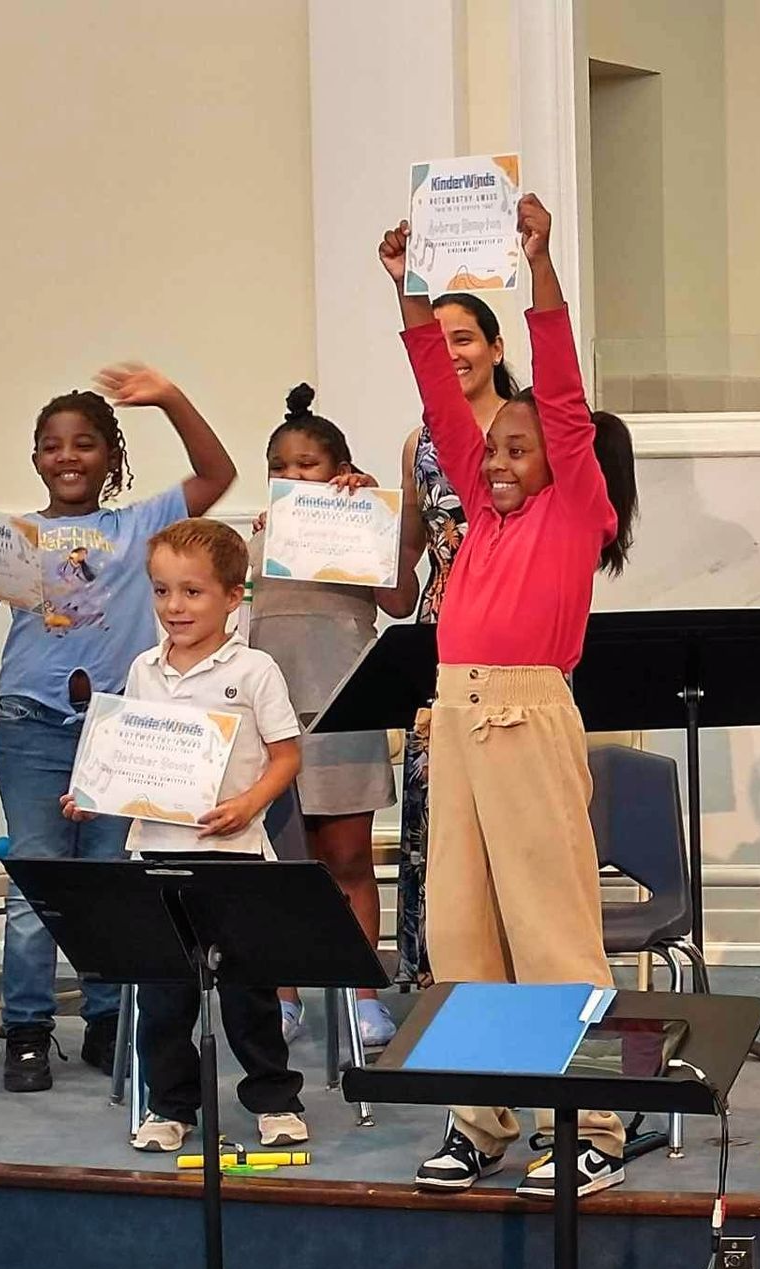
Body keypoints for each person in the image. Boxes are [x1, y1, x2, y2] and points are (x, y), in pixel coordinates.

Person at [381, 194, 639, 1197]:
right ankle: (480, 1120)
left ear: (569, 466)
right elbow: (444, 410)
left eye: (516, 449)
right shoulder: (481, 517)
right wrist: (405, 284)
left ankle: (597, 1125)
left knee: (552, 929)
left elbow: (563, 399)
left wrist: (539, 267)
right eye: (491, 451)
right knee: (457, 930)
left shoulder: (574, 508)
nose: (495, 459)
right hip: (452, 717)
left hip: (527, 717)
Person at [0, 367, 235, 1092]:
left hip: (122, 729)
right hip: (31, 726)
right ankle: (26, 1028)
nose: (68, 457)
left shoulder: (140, 526)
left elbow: (218, 473)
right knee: (36, 883)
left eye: (85, 444)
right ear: (36, 457)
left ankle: (107, 1019)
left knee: (110, 884)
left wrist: (168, 398)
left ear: (112, 456)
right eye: (52, 446)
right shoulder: (12, 539)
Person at [63, 518, 308, 1152]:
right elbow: (133, 756)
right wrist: (94, 795)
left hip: (234, 855)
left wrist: (249, 804)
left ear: (233, 596)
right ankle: (172, 1108)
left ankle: (274, 1098)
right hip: (155, 853)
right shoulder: (144, 669)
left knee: (248, 992)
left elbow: (286, 755)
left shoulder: (254, 671)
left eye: (193, 592)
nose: (175, 607)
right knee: (165, 996)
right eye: (163, 591)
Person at [252, 384, 421, 1046]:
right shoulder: (258, 539)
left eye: (309, 465)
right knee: (285, 868)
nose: (294, 478)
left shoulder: (358, 523)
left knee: (347, 860)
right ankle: (286, 994)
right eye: (282, 468)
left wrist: (374, 521)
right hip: (273, 722)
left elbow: (401, 600)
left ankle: (360, 994)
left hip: (346, 712)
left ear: (340, 469)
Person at [396, 292, 518, 987]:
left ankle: (519, 974)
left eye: (466, 338)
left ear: (497, 348)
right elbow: (401, 576)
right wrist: (340, 517)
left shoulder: (527, 432)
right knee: (438, 821)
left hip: (513, 648)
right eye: (437, 342)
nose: (454, 355)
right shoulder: (420, 444)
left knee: (512, 819)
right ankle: (446, 983)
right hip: (436, 648)